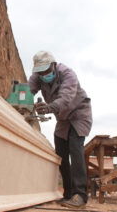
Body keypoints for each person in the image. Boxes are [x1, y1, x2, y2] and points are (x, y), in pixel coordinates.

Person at [28, 51, 92, 209]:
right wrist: (22, 100)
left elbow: (66, 97)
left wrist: (49, 107)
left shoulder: (68, 74)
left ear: (53, 64)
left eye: (46, 70)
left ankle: (80, 195)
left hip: (79, 114)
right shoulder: (37, 75)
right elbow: (27, 91)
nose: (44, 74)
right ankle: (68, 194)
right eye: (40, 71)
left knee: (75, 150)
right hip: (63, 119)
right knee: (61, 154)